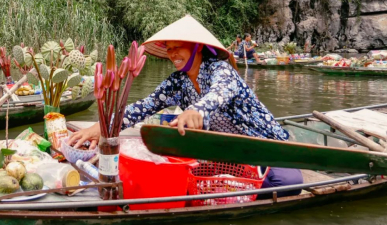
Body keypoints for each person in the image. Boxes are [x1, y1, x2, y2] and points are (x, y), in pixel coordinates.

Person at [67, 15, 302, 195]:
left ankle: (246, 179)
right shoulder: (177, 82)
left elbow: (220, 92)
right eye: (169, 49)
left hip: (264, 145)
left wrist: (196, 110)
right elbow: (143, 107)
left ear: (197, 48)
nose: (172, 54)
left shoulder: (220, 69)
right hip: (226, 152)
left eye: (178, 47)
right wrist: (104, 126)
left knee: (288, 183)